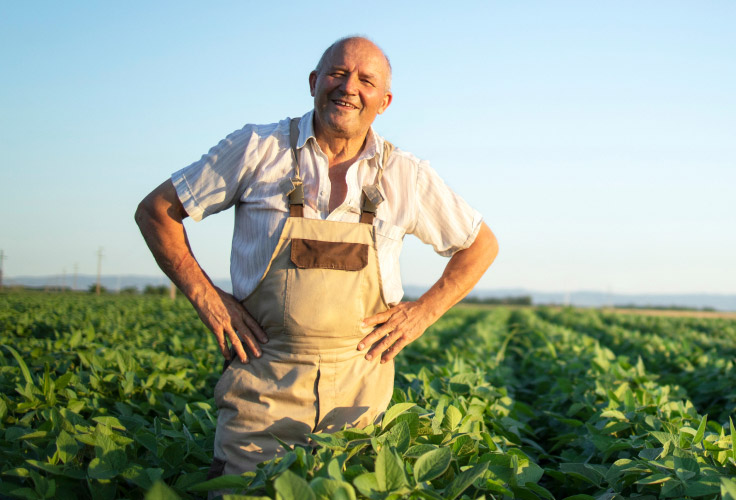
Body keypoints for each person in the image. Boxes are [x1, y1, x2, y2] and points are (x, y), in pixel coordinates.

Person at [134, 36, 498, 477]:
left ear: (384, 102)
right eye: (338, 73)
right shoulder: (257, 149)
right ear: (314, 82)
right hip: (261, 405)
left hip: (358, 413)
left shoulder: (405, 174)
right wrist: (208, 297)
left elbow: (480, 245)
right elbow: (157, 212)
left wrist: (423, 311)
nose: (349, 87)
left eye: (366, 80)